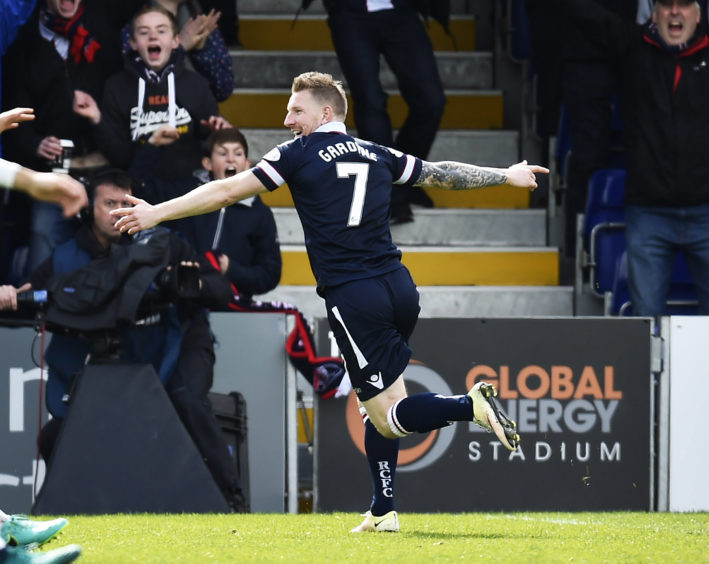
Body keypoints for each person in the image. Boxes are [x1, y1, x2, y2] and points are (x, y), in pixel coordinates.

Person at [111, 71, 548, 531]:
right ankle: (383, 511)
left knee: (388, 417)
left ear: (325, 113)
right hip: (399, 288)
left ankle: (470, 405)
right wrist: (506, 174)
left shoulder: (297, 154)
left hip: (354, 297)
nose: (286, 120)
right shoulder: (376, 151)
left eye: (295, 110)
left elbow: (225, 190)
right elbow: (442, 174)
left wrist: (156, 212)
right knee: (375, 398)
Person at [0, 169, 246, 512]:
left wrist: (193, 286)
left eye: (125, 203)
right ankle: (71, 509)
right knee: (57, 435)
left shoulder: (164, 241)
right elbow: (29, 296)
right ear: (89, 210)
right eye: (109, 204)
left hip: (178, 344)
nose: (118, 212)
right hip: (120, 360)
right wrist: (9, 296)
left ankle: (232, 499)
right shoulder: (66, 257)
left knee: (187, 399)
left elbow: (221, 290)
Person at [562, 0, 709, 317]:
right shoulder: (633, 47)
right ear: (654, 13)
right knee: (645, 327)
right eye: (666, 4)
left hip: (706, 214)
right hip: (649, 215)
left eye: (683, 5)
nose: (674, 12)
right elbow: (583, 13)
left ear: (699, 13)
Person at [2, 0, 145, 270]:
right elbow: (15, 114)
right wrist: (36, 144)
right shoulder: (26, 38)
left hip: (105, 164)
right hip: (54, 172)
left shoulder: (103, 19)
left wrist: (97, 117)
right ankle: (40, 305)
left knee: (121, 237)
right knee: (42, 229)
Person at [300, 0, 447, 224]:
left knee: (431, 101)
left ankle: (403, 177)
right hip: (350, 12)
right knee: (370, 101)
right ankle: (391, 193)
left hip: (401, 10)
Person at [74, 5, 231, 191]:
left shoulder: (196, 84)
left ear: (175, 41)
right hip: (137, 194)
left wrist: (216, 132)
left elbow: (208, 147)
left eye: (161, 31)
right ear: (133, 42)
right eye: (143, 32)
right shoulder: (116, 86)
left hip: (188, 194)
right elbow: (119, 157)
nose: (153, 37)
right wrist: (97, 119)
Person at [133, 127, 281, 300]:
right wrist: (153, 145)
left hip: (230, 308)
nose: (231, 159)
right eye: (222, 153)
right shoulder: (183, 194)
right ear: (207, 163)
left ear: (248, 164)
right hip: (178, 301)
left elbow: (269, 275)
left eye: (238, 153)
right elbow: (139, 186)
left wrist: (231, 269)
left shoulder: (260, 214)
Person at [120, 0, 235, 102]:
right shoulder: (135, 22)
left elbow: (223, 90)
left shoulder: (198, 20)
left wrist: (201, 50)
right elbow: (132, 83)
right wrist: (181, 47)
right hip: (149, 119)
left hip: (197, 119)